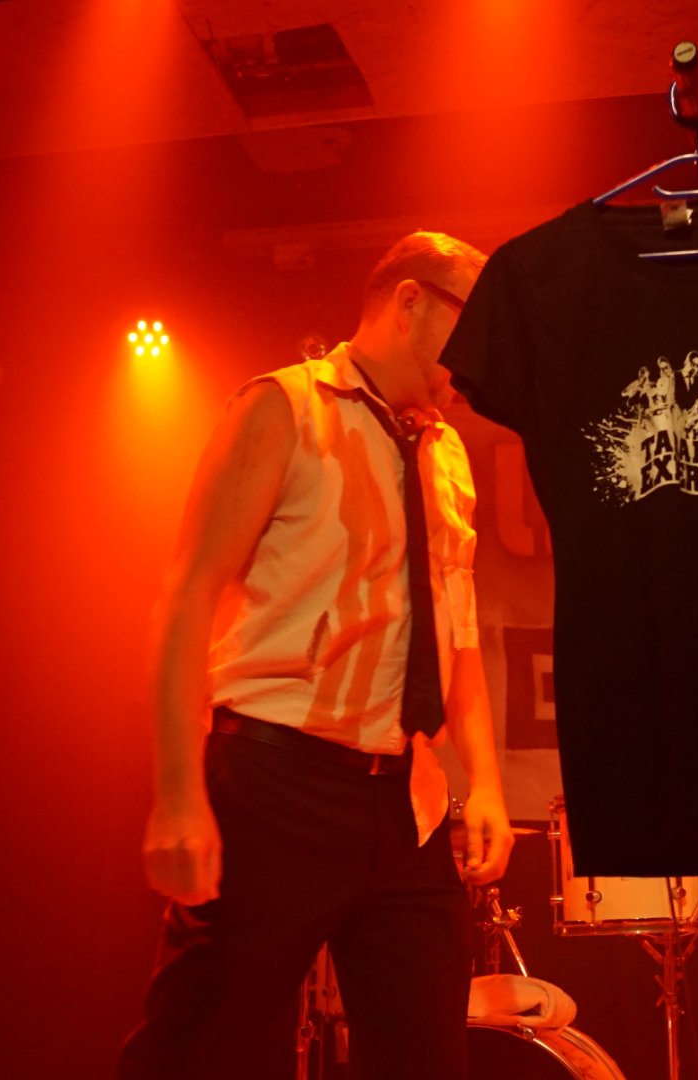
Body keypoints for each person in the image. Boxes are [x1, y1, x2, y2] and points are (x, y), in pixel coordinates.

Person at [120, 232, 514, 1080]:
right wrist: (178, 795)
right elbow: (187, 597)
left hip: (406, 801)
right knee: (200, 1052)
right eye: (472, 326)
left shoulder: (445, 449)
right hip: (275, 782)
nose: (480, 358)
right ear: (409, 302)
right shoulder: (283, 408)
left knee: (425, 1060)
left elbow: (456, 629)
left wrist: (483, 779)